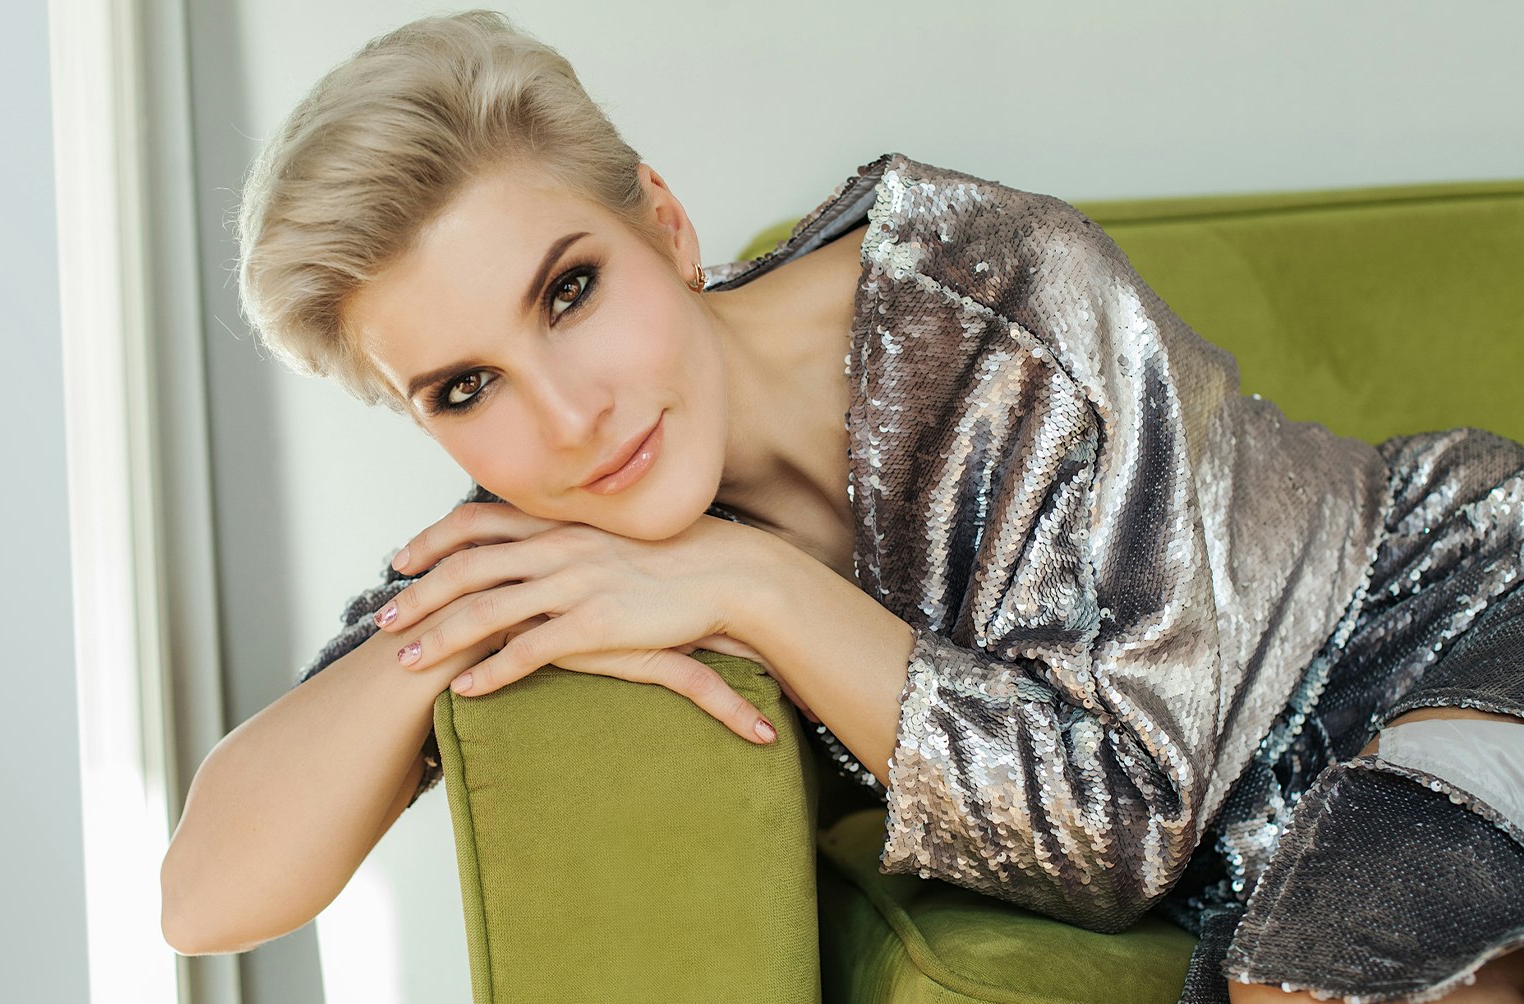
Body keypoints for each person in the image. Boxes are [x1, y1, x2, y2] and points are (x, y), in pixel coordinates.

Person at [159, 10, 1524, 1002]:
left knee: (1367, 941)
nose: (568, 415)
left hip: (1454, 609)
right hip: (1283, 830)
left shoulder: (995, 298)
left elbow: (1127, 823)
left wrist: (755, 587)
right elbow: (206, 896)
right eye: (465, 389)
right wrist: (451, 627)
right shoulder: (556, 508)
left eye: (571, 289)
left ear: (665, 228)